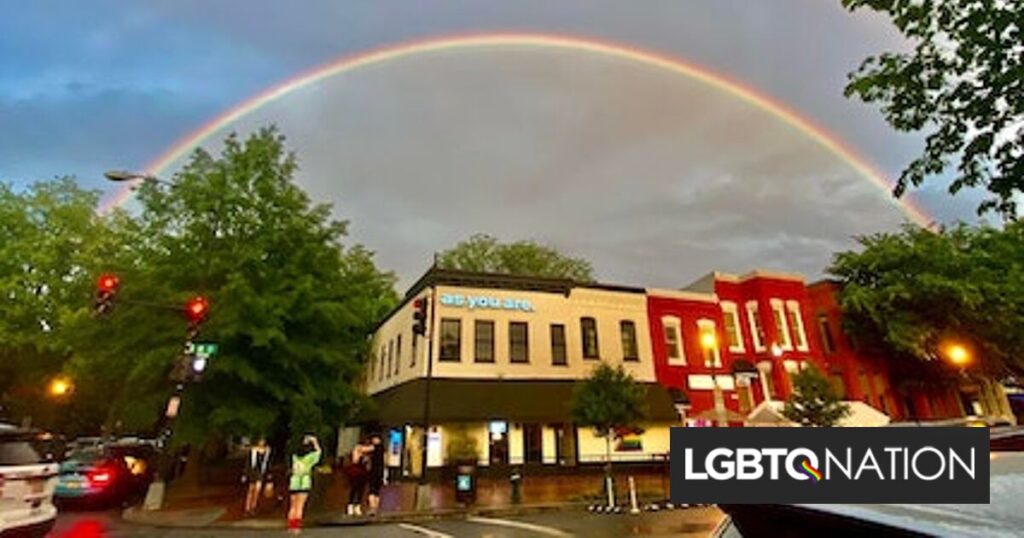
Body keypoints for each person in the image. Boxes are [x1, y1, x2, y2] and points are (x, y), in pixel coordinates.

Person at [287, 435, 321, 534]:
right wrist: (315, 441)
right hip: (304, 482)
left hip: (294, 481)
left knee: (292, 506)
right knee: (300, 506)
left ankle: (290, 526)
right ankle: (296, 527)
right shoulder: (309, 458)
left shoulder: (295, 457)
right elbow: (319, 452)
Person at [243, 437, 272, 516]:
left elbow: (268, 464)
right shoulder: (253, 451)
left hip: (261, 472)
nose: (262, 442)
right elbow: (248, 463)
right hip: (253, 472)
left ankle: (253, 507)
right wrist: (245, 474)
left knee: (257, 490)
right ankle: (247, 508)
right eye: (260, 441)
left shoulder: (267, 451)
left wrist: (269, 475)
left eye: (263, 441)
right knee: (251, 490)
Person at [344, 437, 372, 516]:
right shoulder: (357, 449)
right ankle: (350, 505)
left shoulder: (367, 453)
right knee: (354, 489)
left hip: (363, 473)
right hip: (356, 472)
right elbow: (355, 460)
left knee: (361, 490)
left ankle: (357, 506)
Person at [366, 433, 385, 516]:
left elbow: (364, 449)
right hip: (380, 471)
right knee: (377, 491)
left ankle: (372, 508)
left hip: (374, 471)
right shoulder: (382, 448)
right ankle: (376, 508)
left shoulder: (375, 447)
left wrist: (358, 448)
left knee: (372, 491)